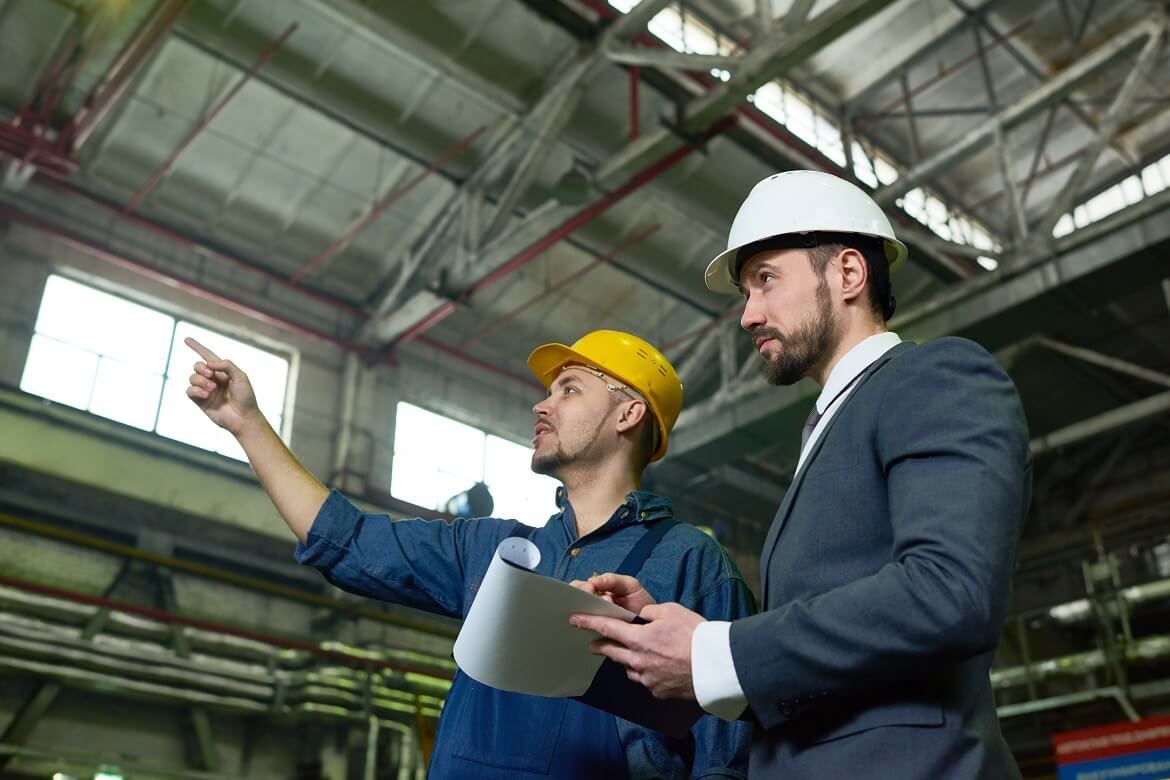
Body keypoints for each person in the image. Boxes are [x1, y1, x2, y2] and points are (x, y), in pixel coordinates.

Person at [570, 171, 1032, 778]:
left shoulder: (934, 377)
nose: (748, 315)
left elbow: (950, 592)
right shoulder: (829, 428)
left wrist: (719, 653)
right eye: (744, 294)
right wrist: (680, 641)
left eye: (766, 280)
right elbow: (832, 655)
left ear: (847, 274)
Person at [184, 328, 755, 779]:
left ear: (629, 414)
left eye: (570, 389)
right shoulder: (493, 551)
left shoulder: (692, 563)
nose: (542, 404)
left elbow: (726, 755)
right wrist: (246, 423)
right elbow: (347, 540)